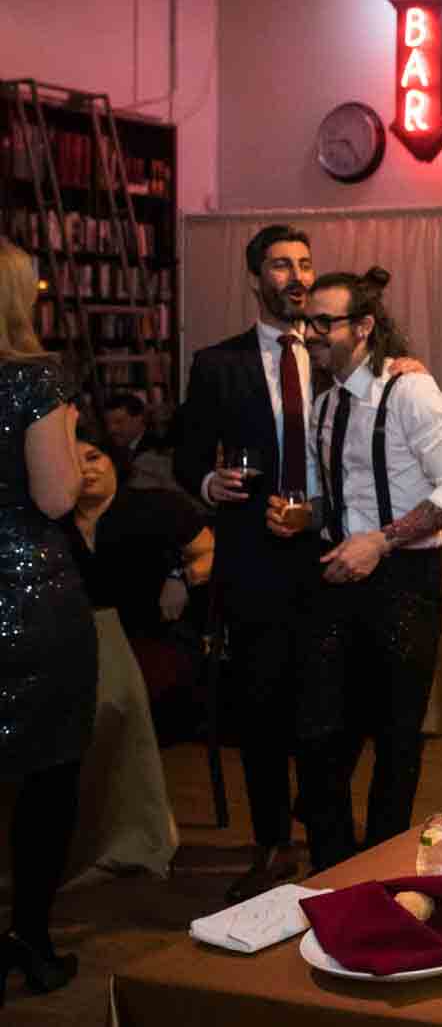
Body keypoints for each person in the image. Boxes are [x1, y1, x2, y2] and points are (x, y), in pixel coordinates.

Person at [269, 268, 442, 870]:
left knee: (396, 739)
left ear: (363, 327)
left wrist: (381, 542)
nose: (310, 333)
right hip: (337, 578)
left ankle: (380, 867)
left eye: (324, 323)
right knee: (316, 735)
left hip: (406, 584)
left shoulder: (411, 392)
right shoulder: (326, 404)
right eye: (307, 322)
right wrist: (301, 518)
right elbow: (332, 501)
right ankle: (335, 868)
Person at [174, 223, 323, 900]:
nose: (296, 276)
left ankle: (326, 828)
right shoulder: (217, 363)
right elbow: (185, 457)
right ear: (256, 277)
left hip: (330, 554)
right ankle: (271, 844)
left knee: (328, 703)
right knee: (261, 707)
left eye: (304, 264)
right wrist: (209, 485)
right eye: (281, 265)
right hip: (254, 558)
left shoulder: (337, 353)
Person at [0, 238, 91, 999]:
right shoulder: (34, 378)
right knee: (46, 774)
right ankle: (29, 935)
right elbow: (58, 496)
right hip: (28, 598)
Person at [66, 428, 213, 739]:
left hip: (154, 639)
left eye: (94, 457)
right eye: (73, 461)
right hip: (83, 648)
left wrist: (182, 578)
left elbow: (211, 552)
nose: (85, 469)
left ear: (115, 462)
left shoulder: (158, 506)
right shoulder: (53, 525)